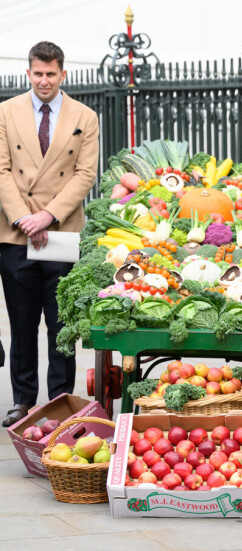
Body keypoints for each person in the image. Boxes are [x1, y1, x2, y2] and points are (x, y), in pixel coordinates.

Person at [0, 42, 99, 427]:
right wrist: (25, 218)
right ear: (29, 73)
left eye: (51, 74)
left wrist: (48, 215)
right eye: (37, 74)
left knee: (61, 327)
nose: (44, 81)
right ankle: (22, 402)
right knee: (21, 323)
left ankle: (59, 401)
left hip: (60, 233)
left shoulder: (84, 116)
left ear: (63, 74)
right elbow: (3, 171)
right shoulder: (6, 112)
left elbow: (84, 174)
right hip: (15, 233)